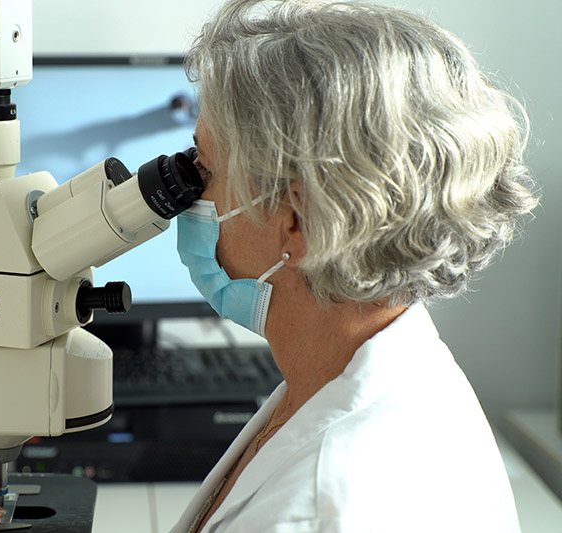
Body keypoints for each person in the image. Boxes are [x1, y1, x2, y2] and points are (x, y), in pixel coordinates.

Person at [170, 1, 538, 532]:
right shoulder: (359, 373)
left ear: (293, 217)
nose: (187, 193)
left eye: (204, 167)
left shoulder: (317, 510)